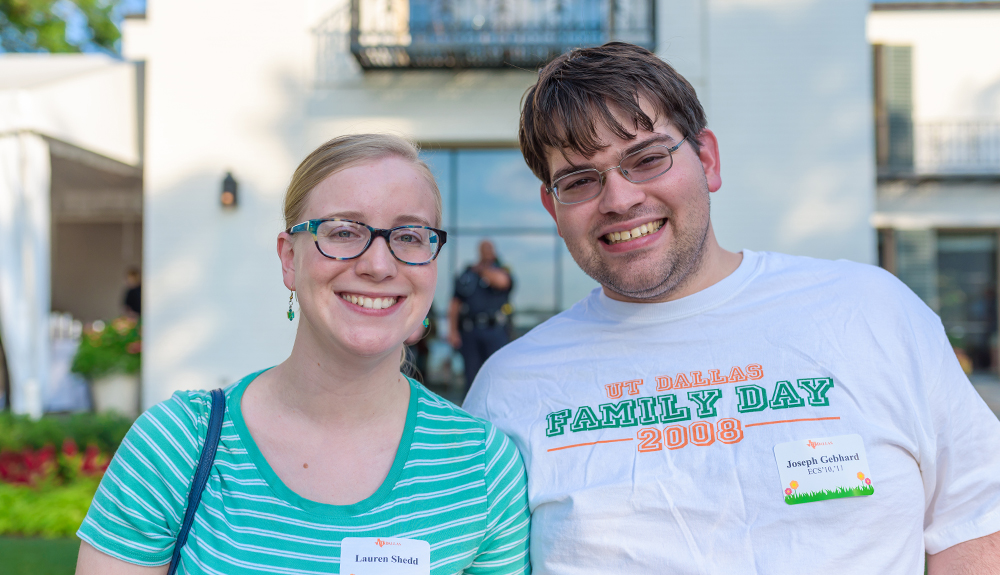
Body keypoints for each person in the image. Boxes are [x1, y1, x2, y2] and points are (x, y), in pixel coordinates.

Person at [462, 42, 1000, 574]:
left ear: (708, 160)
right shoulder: (509, 389)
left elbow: (976, 521)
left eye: (647, 158)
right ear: (553, 208)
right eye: (580, 180)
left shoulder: (870, 313)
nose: (620, 200)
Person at [75, 134, 531, 575]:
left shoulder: (483, 467)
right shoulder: (177, 445)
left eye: (410, 236)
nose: (378, 264)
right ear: (290, 259)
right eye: (345, 231)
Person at [448, 240, 513, 391]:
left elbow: (502, 282)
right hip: (471, 331)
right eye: (484, 248)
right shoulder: (467, 273)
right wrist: (452, 331)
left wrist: (483, 269)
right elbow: (455, 305)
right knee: (472, 378)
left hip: (495, 330)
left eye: (490, 248)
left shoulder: (501, 269)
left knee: (497, 375)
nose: (487, 251)